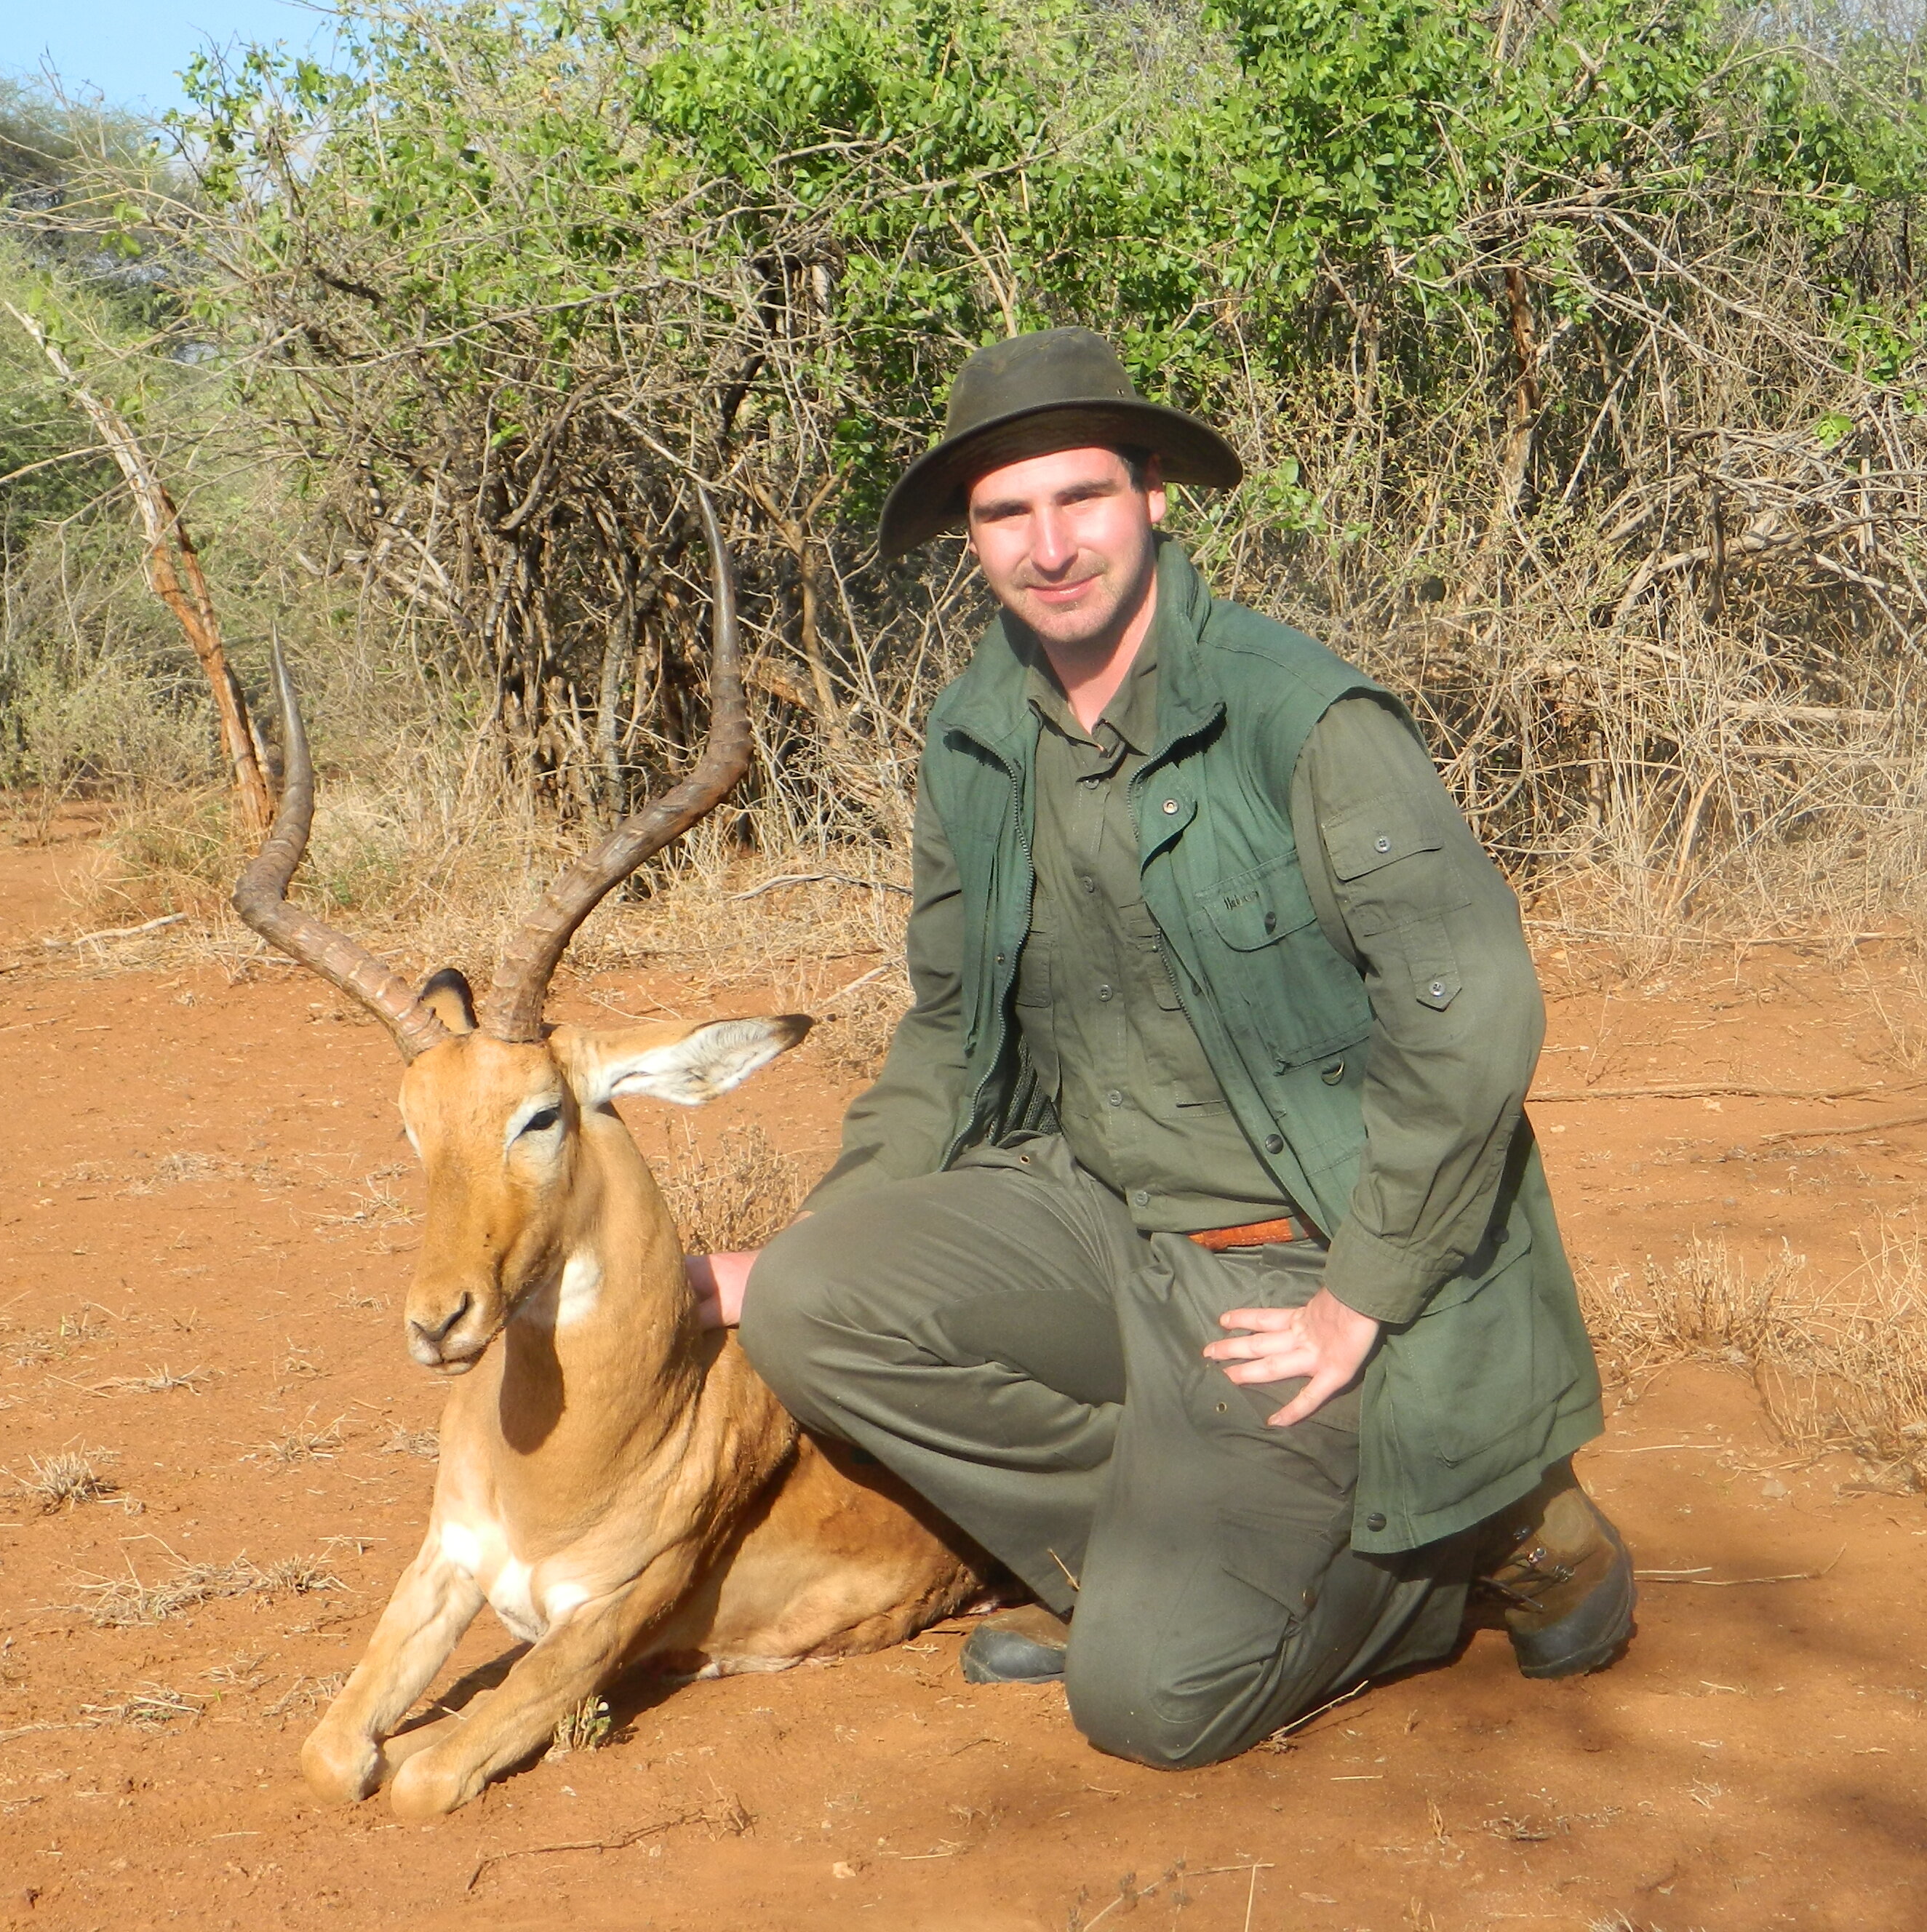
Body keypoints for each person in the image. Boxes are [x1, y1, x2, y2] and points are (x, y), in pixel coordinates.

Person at [686, 327, 1629, 1769]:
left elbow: (1475, 1005)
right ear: (971, 539)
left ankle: (1455, 1538)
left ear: (1154, 499)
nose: (1048, 545)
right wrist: (820, 1236)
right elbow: (946, 1024)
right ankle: (1136, 1555)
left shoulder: (1294, 713)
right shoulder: (976, 732)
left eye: (1082, 498)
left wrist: (1359, 1298)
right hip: (1095, 1209)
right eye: (1006, 513)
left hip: (1294, 1254)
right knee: (815, 1299)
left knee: (1150, 1707)